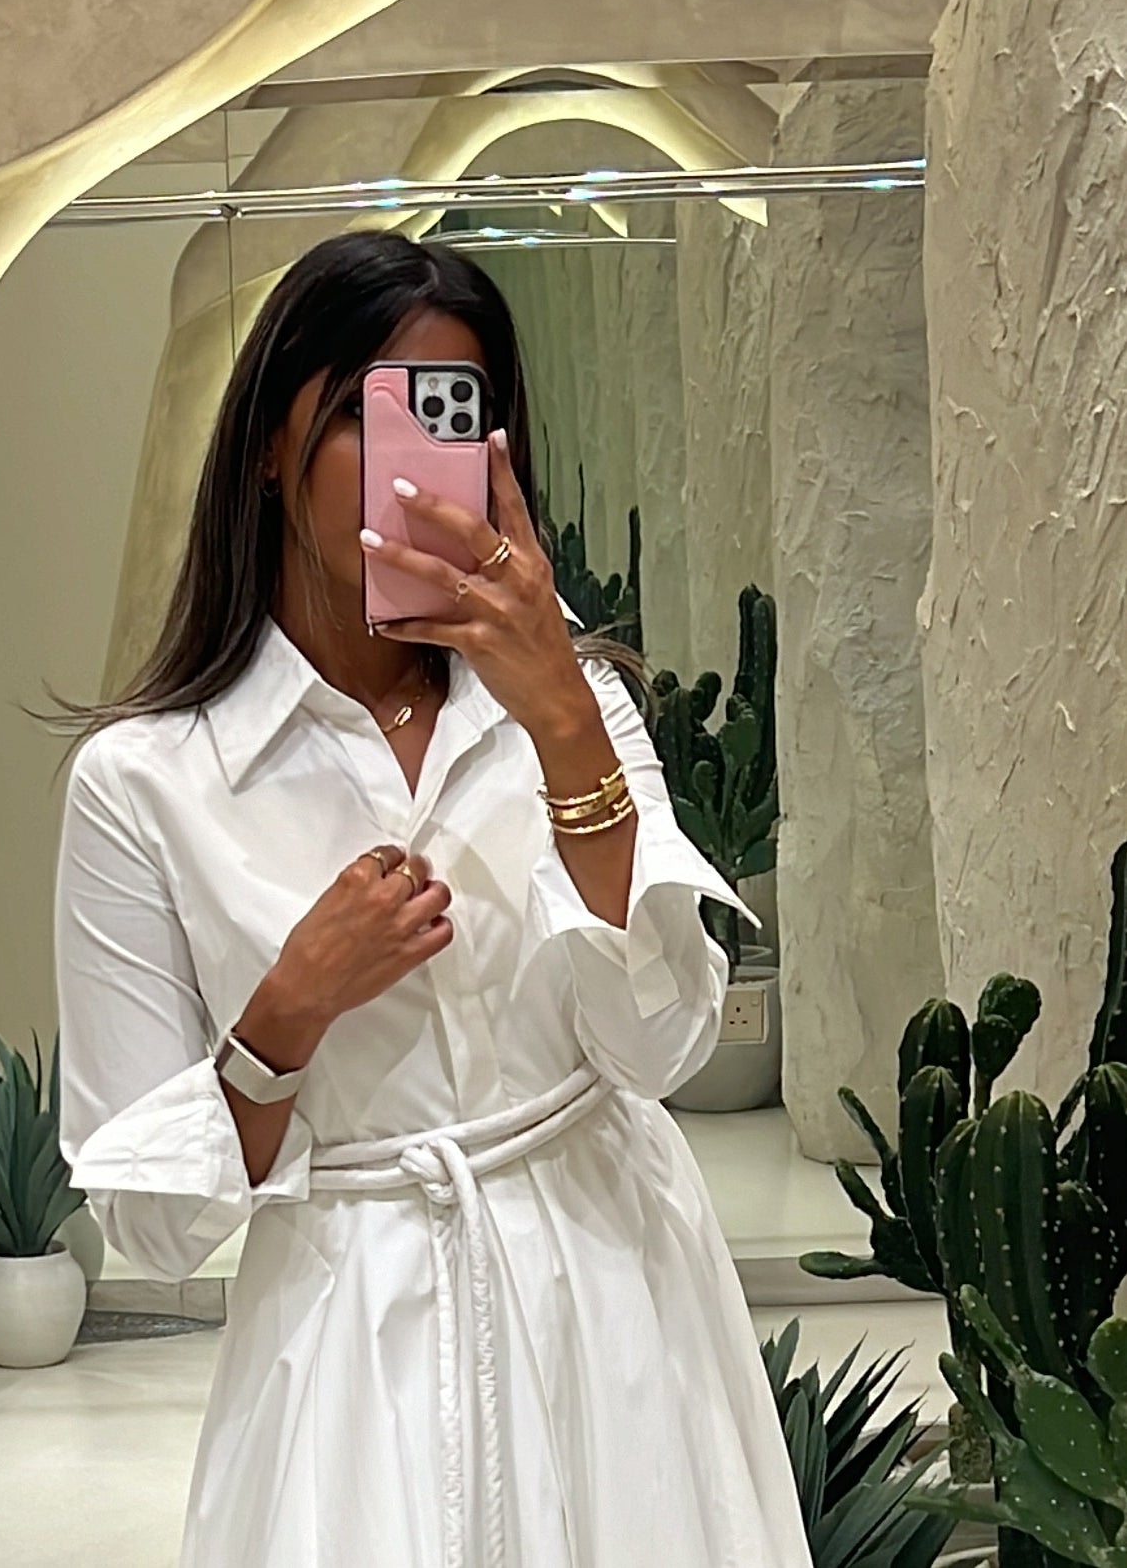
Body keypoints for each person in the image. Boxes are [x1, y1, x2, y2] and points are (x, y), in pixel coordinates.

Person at [51, 231, 808, 1567]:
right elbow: (153, 1228)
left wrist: (562, 723)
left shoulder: (574, 708)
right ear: (267, 444)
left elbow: (659, 1049)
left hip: (615, 1305)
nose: (409, 463)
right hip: (348, 1340)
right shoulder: (146, 783)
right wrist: (287, 1015)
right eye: (362, 411)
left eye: (451, 417)